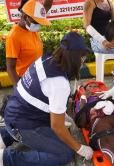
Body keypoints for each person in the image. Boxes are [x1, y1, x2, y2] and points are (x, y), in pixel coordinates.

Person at [0, 32, 93, 165]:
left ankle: (3, 136)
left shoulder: (47, 59)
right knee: (64, 153)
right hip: (23, 124)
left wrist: (61, 114)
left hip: (14, 111)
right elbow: (57, 126)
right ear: (74, 57)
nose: (83, 60)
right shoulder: (59, 83)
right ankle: (7, 158)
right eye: (82, 56)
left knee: (60, 135)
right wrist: (80, 148)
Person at [6, 0, 51, 86]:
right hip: (24, 81)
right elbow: (10, 68)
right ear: (26, 17)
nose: (38, 25)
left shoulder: (31, 28)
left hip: (37, 76)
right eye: (36, 22)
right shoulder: (14, 36)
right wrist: (19, 89)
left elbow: (47, 6)